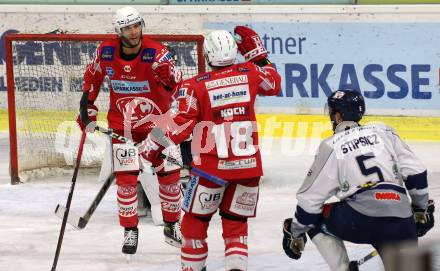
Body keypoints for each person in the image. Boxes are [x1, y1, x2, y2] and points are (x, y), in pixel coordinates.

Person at [139, 27, 281, 271]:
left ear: (206, 56)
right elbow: (274, 82)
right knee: (236, 223)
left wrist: (149, 147)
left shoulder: (196, 85)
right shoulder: (251, 72)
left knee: (194, 222)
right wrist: (258, 54)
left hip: (211, 171)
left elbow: (177, 125)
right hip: (248, 169)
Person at [282, 89, 435, 270]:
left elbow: (310, 203)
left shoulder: (331, 145)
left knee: (313, 220)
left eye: (332, 112)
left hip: (360, 220)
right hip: (401, 219)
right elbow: (416, 173)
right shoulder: (384, 131)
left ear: (338, 116)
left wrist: (295, 232)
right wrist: (420, 210)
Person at [76, 6, 183, 256]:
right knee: (125, 180)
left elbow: (175, 85)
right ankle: (130, 230)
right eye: (127, 27)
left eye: (136, 25)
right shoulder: (106, 51)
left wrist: (169, 78)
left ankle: (172, 224)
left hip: (157, 126)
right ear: (118, 30)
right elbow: (92, 77)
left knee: (170, 174)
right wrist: (87, 106)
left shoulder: (158, 54)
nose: (133, 32)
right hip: (122, 126)